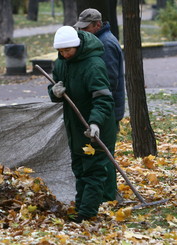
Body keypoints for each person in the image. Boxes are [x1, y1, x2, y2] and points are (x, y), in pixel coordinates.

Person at [48, 26, 117, 223]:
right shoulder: (61, 63)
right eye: (60, 51)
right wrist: (55, 92)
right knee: (79, 168)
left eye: (67, 50)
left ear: (77, 46)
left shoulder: (94, 65)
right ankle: (81, 209)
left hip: (96, 125)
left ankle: (86, 215)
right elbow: (52, 88)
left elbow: (103, 99)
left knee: (94, 170)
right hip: (75, 126)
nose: (64, 54)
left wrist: (95, 123)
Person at [74, 8, 125, 202]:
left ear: (97, 25)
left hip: (107, 109)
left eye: (86, 28)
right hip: (102, 107)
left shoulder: (106, 44)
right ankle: (106, 193)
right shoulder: (98, 41)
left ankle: (108, 195)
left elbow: (109, 82)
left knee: (104, 153)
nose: (83, 33)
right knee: (100, 152)